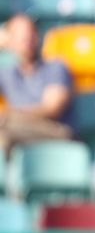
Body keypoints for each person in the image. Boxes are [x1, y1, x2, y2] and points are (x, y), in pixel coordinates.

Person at [0, 13, 74, 153]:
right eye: (19, 35)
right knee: (2, 138)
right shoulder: (7, 74)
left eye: (30, 32)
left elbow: (52, 109)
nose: (27, 39)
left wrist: (11, 115)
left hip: (57, 133)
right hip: (17, 132)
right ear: (9, 41)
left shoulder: (55, 67)